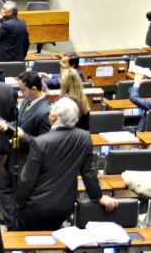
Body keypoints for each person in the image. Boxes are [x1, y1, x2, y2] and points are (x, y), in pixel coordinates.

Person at [13, 98, 118, 231]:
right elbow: (88, 172)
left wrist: (18, 202)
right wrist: (98, 196)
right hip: (65, 206)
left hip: (36, 206)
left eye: (50, 111)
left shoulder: (40, 142)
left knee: (22, 242)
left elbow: (27, 178)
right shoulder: (85, 137)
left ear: (54, 117)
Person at [0, 71, 50, 228]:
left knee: (20, 199)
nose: (20, 93)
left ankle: (17, 228)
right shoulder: (27, 102)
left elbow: (44, 144)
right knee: (2, 187)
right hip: (13, 157)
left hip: (27, 163)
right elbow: (20, 122)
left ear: (33, 89)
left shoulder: (45, 111)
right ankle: (13, 225)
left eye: (23, 89)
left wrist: (23, 136)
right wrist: (7, 126)